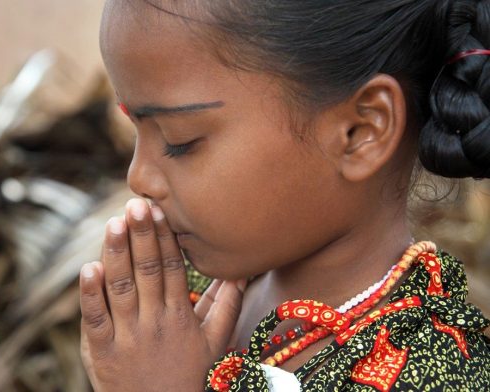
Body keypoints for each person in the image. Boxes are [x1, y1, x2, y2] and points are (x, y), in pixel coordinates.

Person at [78, 0, 490, 390]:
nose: (139, 176)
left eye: (179, 140)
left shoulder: (432, 371)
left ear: (361, 132)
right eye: (136, 129)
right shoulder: (177, 307)